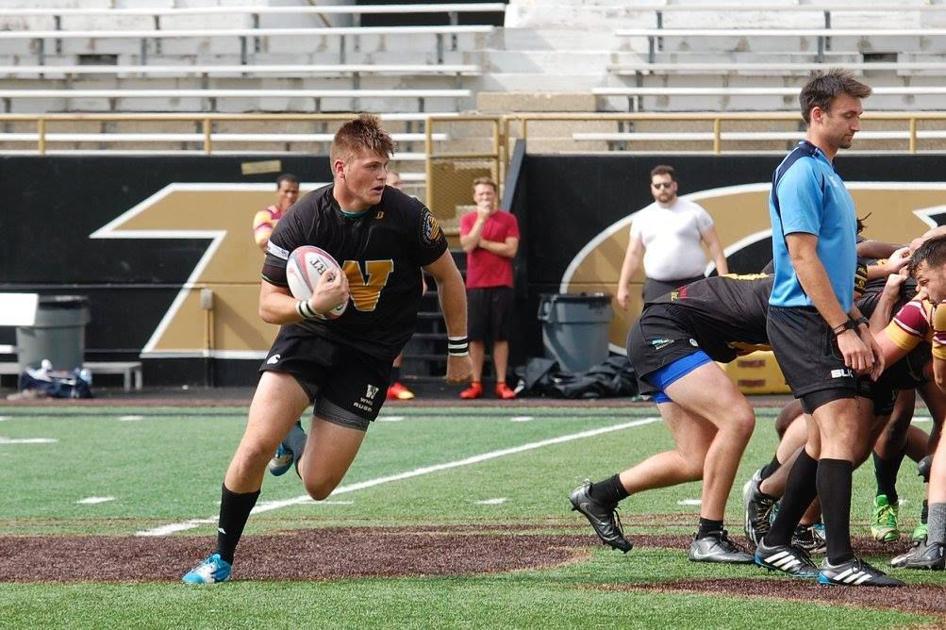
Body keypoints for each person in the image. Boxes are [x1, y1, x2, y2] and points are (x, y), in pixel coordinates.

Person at [182, 114, 473, 584]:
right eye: (372, 167)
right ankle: (221, 556)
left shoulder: (408, 215)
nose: (382, 176)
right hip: (310, 336)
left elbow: (449, 277)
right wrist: (310, 305)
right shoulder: (303, 218)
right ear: (341, 168)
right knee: (255, 443)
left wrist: (459, 348)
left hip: (370, 356)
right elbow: (268, 305)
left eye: (386, 166)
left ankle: (291, 438)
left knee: (317, 484)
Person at [752, 69, 903, 586]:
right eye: (850, 115)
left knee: (823, 435)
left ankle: (775, 541)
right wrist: (841, 327)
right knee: (841, 428)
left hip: (828, 319)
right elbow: (801, 257)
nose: (857, 124)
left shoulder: (825, 171)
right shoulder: (801, 172)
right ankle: (839, 559)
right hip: (804, 320)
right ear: (818, 115)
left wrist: (857, 321)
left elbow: (836, 265)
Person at [571, 272, 766, 563]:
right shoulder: (789, 298)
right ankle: (708, 537)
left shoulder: (781, 287)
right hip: (663, 334)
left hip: (668, 336)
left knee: (696, 459)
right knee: (737, 418)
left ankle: (599, 496)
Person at [616, 165, 728, 309]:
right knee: (656, 328)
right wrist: (623, 286)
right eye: (657, 185)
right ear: (652, 188)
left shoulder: (695, 212)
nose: (662, 188)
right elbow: (633, 254)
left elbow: (715, 247)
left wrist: (725, 281)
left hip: (693, 284)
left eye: (666, 184)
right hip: (658, 286)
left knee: (695, 327)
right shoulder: (642, 217)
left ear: (674, 185)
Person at [458, 177, 520, 400]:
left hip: (502, 283)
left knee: (500, 336)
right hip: (476, 284)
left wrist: (483, 243)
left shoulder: (508, 219)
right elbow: (467, 245)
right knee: (475, 337)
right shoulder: (469, 219)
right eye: (481, 194)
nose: (485, 197)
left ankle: (501, 383)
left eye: (489, 194)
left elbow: (510, 250)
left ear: (495, 196)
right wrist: (481, 222)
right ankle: (476, 382)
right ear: (475, 197)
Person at [384, 169, 417, 401]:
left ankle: (394, 381)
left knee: (397, 332)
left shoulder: (408, 212)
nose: (399, 186)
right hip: (371, 282)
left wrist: (421, 279)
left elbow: (417, 251)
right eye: (394, 183)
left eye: (400, 182)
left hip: (399, 282)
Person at [252, 173, 300, 252]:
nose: (290, 195)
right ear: (278, 192)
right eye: (286, 191)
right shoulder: (265, 215)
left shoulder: (303, 215)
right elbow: (264, 244)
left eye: (294, 192)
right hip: (277, 263)